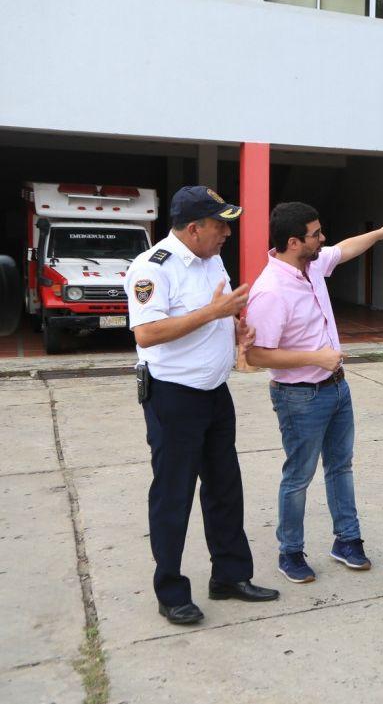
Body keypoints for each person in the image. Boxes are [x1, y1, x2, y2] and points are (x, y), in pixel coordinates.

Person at [125, 185, 279, 626]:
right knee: (173, 495)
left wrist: (235, 330)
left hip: (215, 393)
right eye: (219, 225)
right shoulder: (153, 268)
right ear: (194, 228)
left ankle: (230, 576)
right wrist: (213, 315)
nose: (226, 233)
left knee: (225, 487)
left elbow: (223, 311)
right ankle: (171, 591)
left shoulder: (212, 260)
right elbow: (147, 334)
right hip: (174, 397)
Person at [244, 202, 383, 583]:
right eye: (316, 233)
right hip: (299, 397)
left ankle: (347, 541)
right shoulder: (270, 291)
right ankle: (290, 552)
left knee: (341, 467)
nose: (322, 238)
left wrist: (379, 234)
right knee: (298, 476)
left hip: (336, 388)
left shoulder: (310, 266)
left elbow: (344, 248)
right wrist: (316, 357)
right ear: (294, 241)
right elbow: (256, 354)